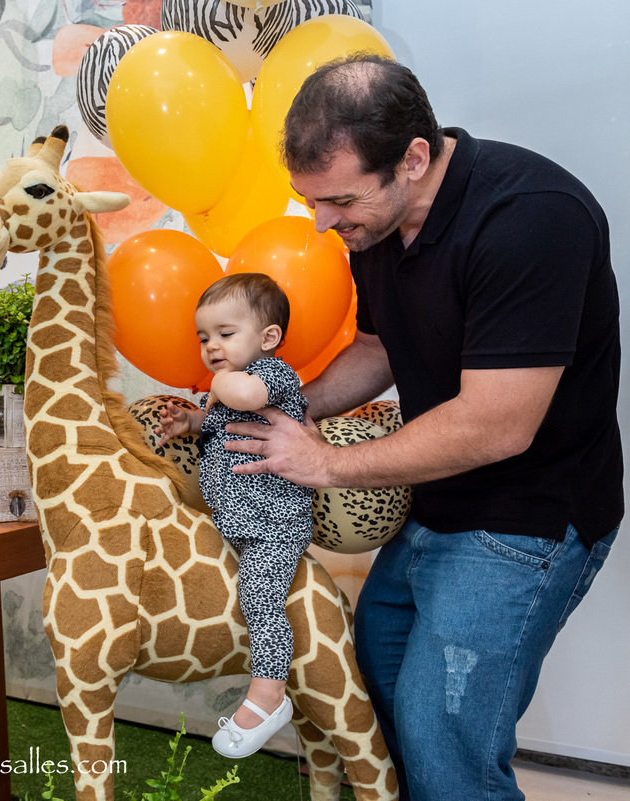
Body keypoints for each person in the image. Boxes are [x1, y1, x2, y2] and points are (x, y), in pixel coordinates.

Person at [221, 53, 621, 801]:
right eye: (309, 200)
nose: (321, 221)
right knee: (376, 678)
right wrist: (293, 406)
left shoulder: (532, 218)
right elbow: (378, 346)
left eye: (338, 199)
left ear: (413, 156)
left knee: (445, 748)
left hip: (529, 520)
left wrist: (327, 464)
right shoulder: (374, 230)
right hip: (437, 502)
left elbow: (499, 425)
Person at [157, 273, 313, 759]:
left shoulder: (273, 375)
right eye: (203, 338)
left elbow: (245, 399)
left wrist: (220, 382)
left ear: (268, 339)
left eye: (225, 335)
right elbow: (229, 419)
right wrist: (193, 421)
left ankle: (269, 693)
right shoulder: (231, 388)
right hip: (234, 523)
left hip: (273, 526)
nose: (211, 347)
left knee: (259, 594)